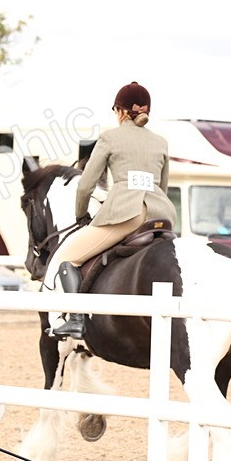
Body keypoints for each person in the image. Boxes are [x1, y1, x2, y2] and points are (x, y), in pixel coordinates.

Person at [44, 81, 175, 339]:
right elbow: (164, 185)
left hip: (127, 215)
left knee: (65, 257)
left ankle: (76, 319)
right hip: (161, 215)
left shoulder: (110, 138)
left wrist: (81, 214)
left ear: (122, 112)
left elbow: (85, 185)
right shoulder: (161, 142)